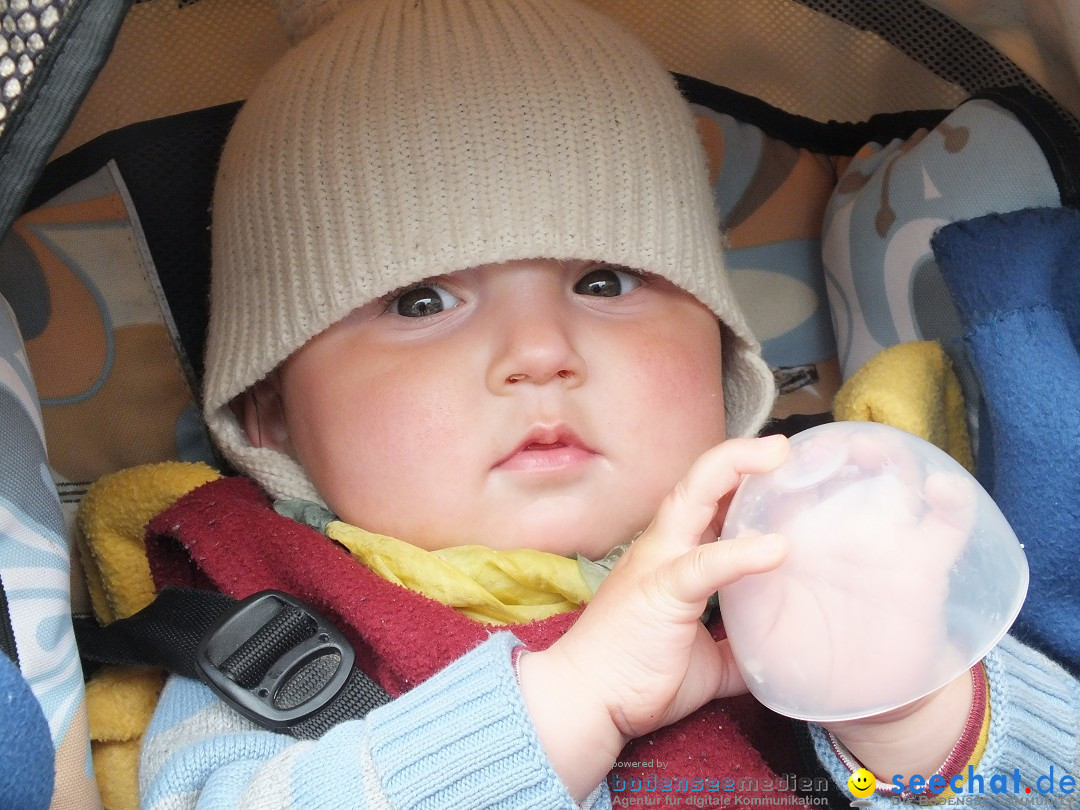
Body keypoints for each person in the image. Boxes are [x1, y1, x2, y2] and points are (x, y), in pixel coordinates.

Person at [137, 0, 1080, 807]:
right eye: (420, 301)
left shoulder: (806, 553)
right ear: (272, 417)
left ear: (722, 363)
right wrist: (572, 706)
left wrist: (907, 709)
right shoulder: (264, 641)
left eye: (603, 281)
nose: (540, 353)